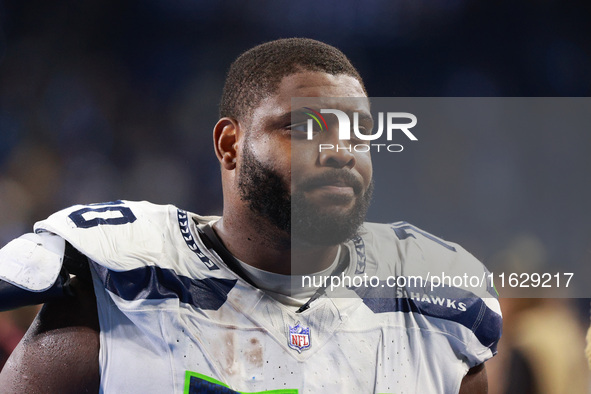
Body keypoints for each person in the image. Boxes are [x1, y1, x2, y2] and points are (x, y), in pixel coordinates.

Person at [0, 38, 501, 393]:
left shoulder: (439, 307)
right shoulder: (120, 281)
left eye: (359, 132)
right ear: (229, 144)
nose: (340, 151)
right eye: (304, 129)